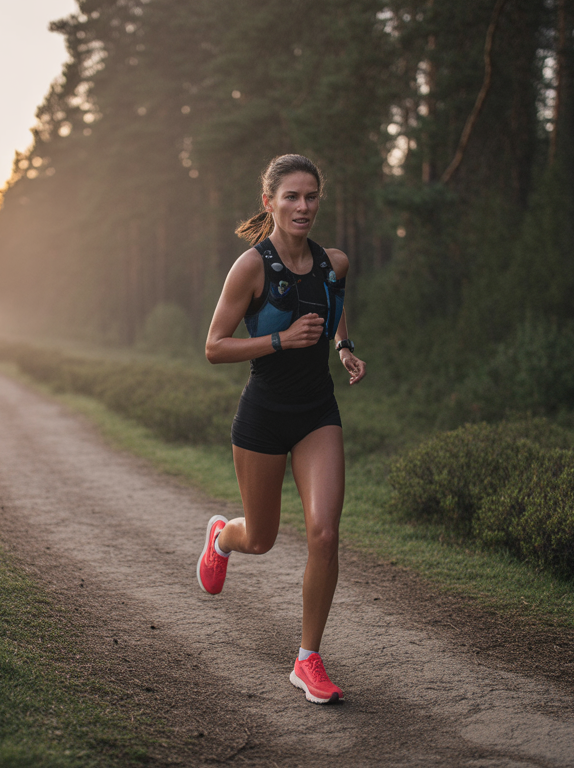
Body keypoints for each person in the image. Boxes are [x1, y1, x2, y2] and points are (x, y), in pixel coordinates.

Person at [197, 154, 366, 705]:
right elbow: (214, 347)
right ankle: (223, 537)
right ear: (269, 202)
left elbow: (334, 303)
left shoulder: (333, 262)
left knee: (324, 533)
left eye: (311, 196)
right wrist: (280, 340)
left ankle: (307, 659)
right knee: (262, 538)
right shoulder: (251, 267)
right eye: (291, 196)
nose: (303, 206)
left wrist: (342, 346)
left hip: (317, 411)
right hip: (264, 414)